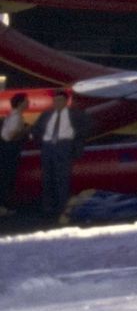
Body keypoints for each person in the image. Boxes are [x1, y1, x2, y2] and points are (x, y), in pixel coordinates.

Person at [37, 88, 86, 219]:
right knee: (47, 177)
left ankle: (62, 206)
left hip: (64, 146)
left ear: (66, 101)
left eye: (60, 100)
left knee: (62, 177)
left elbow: (87, 127)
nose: (57, 103)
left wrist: (75, 141)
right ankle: (48, 206)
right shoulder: (47, 114)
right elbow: (37, 128)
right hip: (48, 147)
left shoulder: (75, 114)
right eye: (55, 100)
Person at [1, 92, 30, 213]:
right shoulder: (16, 117)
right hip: (10, 151)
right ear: (21, 103)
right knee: (7, 179)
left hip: (7, 151)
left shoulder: (11, 116)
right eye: (26, 101)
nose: (28, 103)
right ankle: (4, 206)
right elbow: (9, 136)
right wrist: (25, 131)